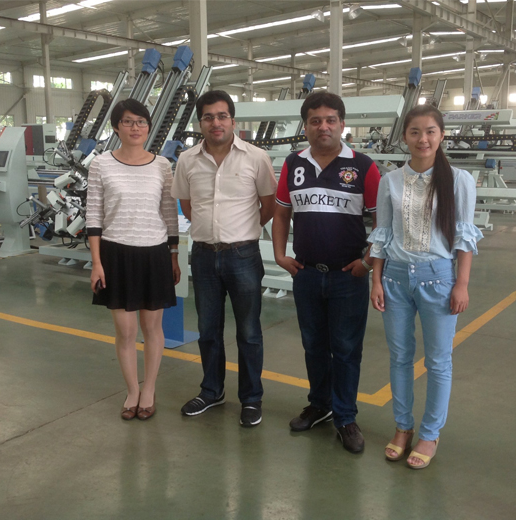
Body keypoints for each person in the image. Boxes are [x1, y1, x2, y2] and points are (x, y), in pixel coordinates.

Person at [368, 104, 483, 469]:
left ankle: (430, 434)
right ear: (405, 137)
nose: (423, 139)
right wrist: (376, 279)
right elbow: (382, 235)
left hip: (440, 279)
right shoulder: (390, 181)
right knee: (400, 357)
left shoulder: (459, 180)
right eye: (415, 132)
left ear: (442, 135)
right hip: (396, 279)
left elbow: (464, 237)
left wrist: (461, 283)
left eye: (431, 131)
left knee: (438, 361)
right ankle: (403, 427)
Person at [272, 92, 380, 454]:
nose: (324, 127)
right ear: (305, 126)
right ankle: (319, 404)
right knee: (313, 345)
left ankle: (346, 417)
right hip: (305, 274)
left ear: (342, 124)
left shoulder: (363, 166)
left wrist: (367, 262)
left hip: (348, 276)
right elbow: (282, 213)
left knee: (346, 349)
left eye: (331, 120)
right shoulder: (293, 164)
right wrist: (280, 255)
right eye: (315, 121)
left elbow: (382, 222)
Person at [171, 90, 277, 428]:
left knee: (249, 331)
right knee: (208, 330)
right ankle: (212, 390)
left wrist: (242, 230)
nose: (215, 122)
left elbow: (269, 204)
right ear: (200, 122)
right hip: (203, 256)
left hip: (243, 255)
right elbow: (187, 205)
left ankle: (251, 398)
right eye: (208, 117)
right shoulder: (187, 160)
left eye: (221, 116)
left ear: (232, 120)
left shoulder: (256, 157)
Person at [87, 99, 181, 421]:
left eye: (141, 122)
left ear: (149, 127)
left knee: (152, 328)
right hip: (116, 254)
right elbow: (94, 215)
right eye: (128, 121)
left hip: (154, 252)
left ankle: (149, 389)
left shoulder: (162, 165)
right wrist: (96, 262)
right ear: (116, 127)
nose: (135, 127)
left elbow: (169, 213)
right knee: (125, 331)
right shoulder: (101, 164)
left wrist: (173, 254)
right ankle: (132, 391)